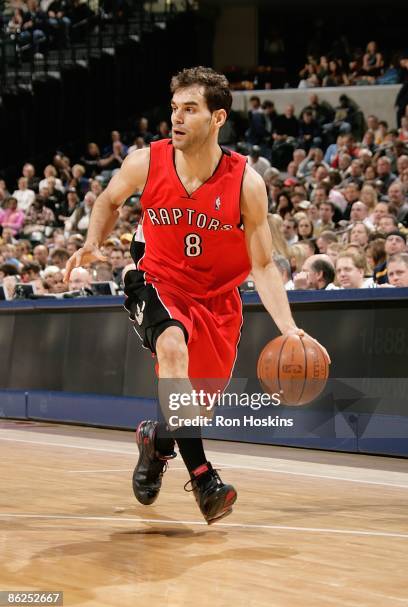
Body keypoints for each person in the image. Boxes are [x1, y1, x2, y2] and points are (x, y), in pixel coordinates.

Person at [64, 66, 329, 525]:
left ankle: (156, 443)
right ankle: (204, 479)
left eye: (190, 109)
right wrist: (93, 241)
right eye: (174, 109)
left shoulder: (246, 182)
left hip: (217, 299)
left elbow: (263, 265)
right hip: (157, 279)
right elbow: (108, 201)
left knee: (191, 406)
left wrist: (289, 327)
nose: (178, 119)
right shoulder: (146, 161)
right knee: (171, 348)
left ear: (218, 117)